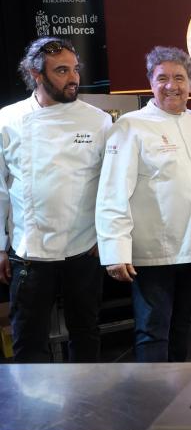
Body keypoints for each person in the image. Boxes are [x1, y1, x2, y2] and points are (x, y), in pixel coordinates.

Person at [96, 46, 191, 362]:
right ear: (150, 82)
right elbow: (112, 191)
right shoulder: (130, 126)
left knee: (183, 324)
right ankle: (153, 392)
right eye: (162, 78)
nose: (171, 86)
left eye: (179, 78)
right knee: (152, 329)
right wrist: (115, 249)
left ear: (190, 83)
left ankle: (179, 388)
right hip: (153, 253)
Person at [0, 37, 111, 362]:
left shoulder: (98, 120)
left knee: (86, 333)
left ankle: (86, 393)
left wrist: (105, 235)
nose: (73, 78)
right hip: (30, 251)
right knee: (28, 340)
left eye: (75, 69)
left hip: (84, 247)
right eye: (62, 71)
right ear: (36, 74)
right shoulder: (8, 120)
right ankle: (32, 397)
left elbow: (111, 186)